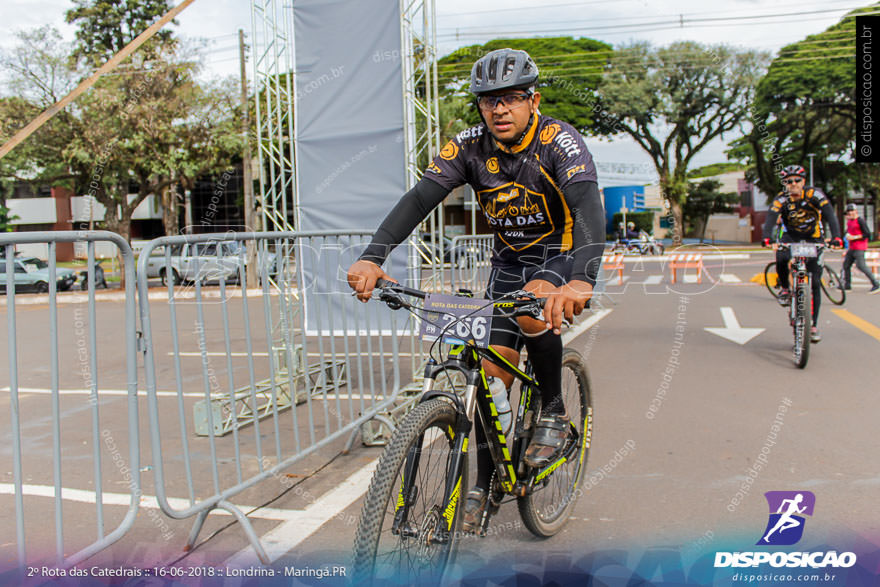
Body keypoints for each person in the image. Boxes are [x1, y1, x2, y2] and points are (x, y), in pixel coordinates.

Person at [346, 48, 605, 532]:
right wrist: (373, 256)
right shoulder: (467, 146)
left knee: (532, 308)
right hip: (507, 261)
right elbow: (421, 198)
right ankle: (484, 485)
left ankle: (552, 408)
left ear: (533, 100)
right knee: (489, 376)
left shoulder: (559, 142)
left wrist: (581, 279)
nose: (499, 110)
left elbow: (589, 209)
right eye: (488, 101)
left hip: (562, 253)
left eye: (510, 99)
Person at [762, 164, 843, 343]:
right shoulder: (781, 199)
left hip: (813, 238)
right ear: (784, 184)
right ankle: (784, 288)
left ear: (803, 181)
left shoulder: (815, 195)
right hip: (790, 236)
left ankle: (813, 325)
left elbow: (830, 214)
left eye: (797, 180)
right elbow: (770, 217)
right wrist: (767, 237)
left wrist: (837, 236)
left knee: (814, 282)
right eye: (788, 181)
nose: (793, 184)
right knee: (781, 257)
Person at [842, 203, 880, 294]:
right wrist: (847, 236)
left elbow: (867, 234)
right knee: (846, 265)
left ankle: (876, 283)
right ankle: (847, 285)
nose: (850, 213)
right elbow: (849, 231)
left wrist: (855, 237)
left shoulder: (860, 221)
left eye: (851, 211)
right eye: (848, 212)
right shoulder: (849, 221)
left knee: (861, 266)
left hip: (860, 247)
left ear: (856, 211)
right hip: (852, 247)